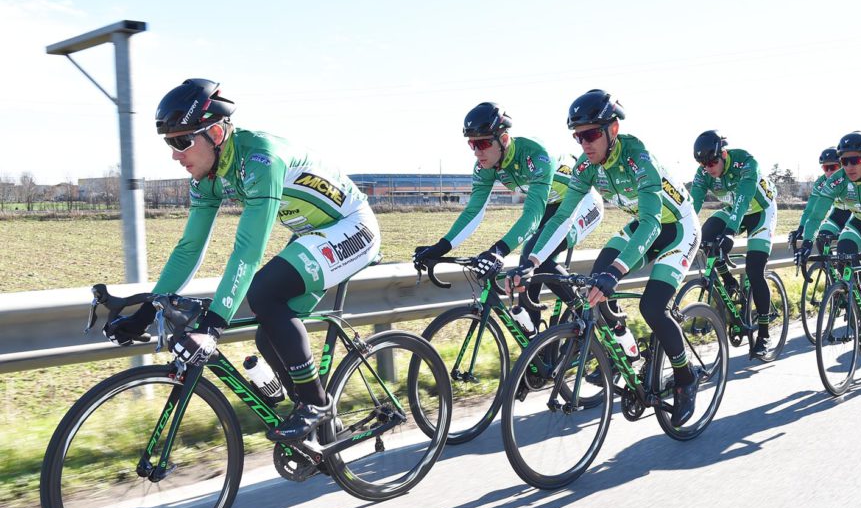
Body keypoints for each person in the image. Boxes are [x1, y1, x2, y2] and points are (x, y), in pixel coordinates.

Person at [103, 78, 380, 441]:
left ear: (216, 133)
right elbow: (188, 249)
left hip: (353, 227)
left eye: (182, 142)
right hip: (313, 235)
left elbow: (248, 251)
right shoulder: (207, 176)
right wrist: (144, 313)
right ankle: (324, 430)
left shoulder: (262, 159)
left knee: (264, 292)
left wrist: (212, 327)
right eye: (170, 143)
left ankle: (317, 405)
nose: (175, 154)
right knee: (270, 335)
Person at [518, 89, 701, 427]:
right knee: (594, 287)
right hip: (644, 226)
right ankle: (623, 350)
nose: (584, 144)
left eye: (590, 135)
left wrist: (616, 271)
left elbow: (652, 222)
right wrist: (530, 262)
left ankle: (685, 376)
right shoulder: (586, 165)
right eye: (578, 137)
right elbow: (562, 217)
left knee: (652, 307)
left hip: (677, 228)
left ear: (612, 129)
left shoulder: (638, 158)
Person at [412, 102, 603, 329]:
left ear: (503, 139)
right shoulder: (485, 166)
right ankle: (537, 341)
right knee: (526, 268)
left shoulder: (536, 156)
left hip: (582, 203)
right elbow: (473, 212)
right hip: (550, 205)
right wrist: (440, 247)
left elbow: (532, 214)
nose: (477, 152)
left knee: (536, 258)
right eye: (472, 144)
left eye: (483, 143)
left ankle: (586, 314)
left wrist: (498, 251)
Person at [795, 132, 861, 365]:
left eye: (856, 160)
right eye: (844, 161)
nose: (850, 166)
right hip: (858, 224)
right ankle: (860, 302)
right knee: (843, 257)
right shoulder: (838, 180)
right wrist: (807, 242)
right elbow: (817, 215)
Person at [688, 130, 777, 357]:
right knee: (705, 238)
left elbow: (743, 199)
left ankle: (764, 334)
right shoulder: (704, 172)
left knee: (755, 271)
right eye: (703, 164)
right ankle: (729, 282)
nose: (708, 168)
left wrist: (730, 232)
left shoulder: (746, 163)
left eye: (712, 162)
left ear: (724, 154)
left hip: (760, 212)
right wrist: (686, 231)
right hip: (733, 210)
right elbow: (692, 205)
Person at [792, 147, 847, 255]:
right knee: (821, 237)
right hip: (838, 212)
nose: (829, 171)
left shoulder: (850, 178)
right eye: (826, 168)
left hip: (856, 214)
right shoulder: (820, 183)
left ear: (842, 165)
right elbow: (810, 210)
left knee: (847, 243)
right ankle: (827, 263)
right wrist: (801, 227)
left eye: (833, 167)